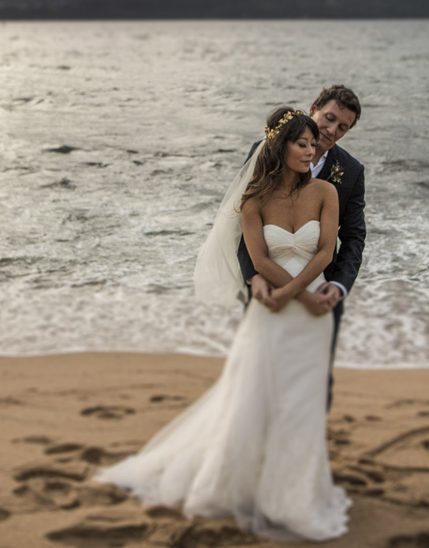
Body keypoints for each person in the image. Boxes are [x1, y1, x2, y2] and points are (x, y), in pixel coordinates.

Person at [96, 107, 350, 542]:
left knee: (302, 406)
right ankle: (244, 486)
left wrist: (301, 297)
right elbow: (260, 257)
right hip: (270, 311)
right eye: (302, 143)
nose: (311, 151)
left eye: (314, 144)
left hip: (310, 315)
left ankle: (295, 497)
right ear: (280, 145)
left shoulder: (327, 191)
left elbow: (326, 252)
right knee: (253, 396)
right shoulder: (253, 199)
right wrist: (290, 295)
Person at [239, 85, 364, 409]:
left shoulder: (350, 172)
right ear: (313, 109)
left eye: (343, 127)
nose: (332, 130)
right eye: (329, 118)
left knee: (315, 384)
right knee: (257, 379)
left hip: (320, 289)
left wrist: (338, 285)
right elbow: (238, 227)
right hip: (267, 286)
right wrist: (254, 276)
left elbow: (353, 237)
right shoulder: (261, 151)